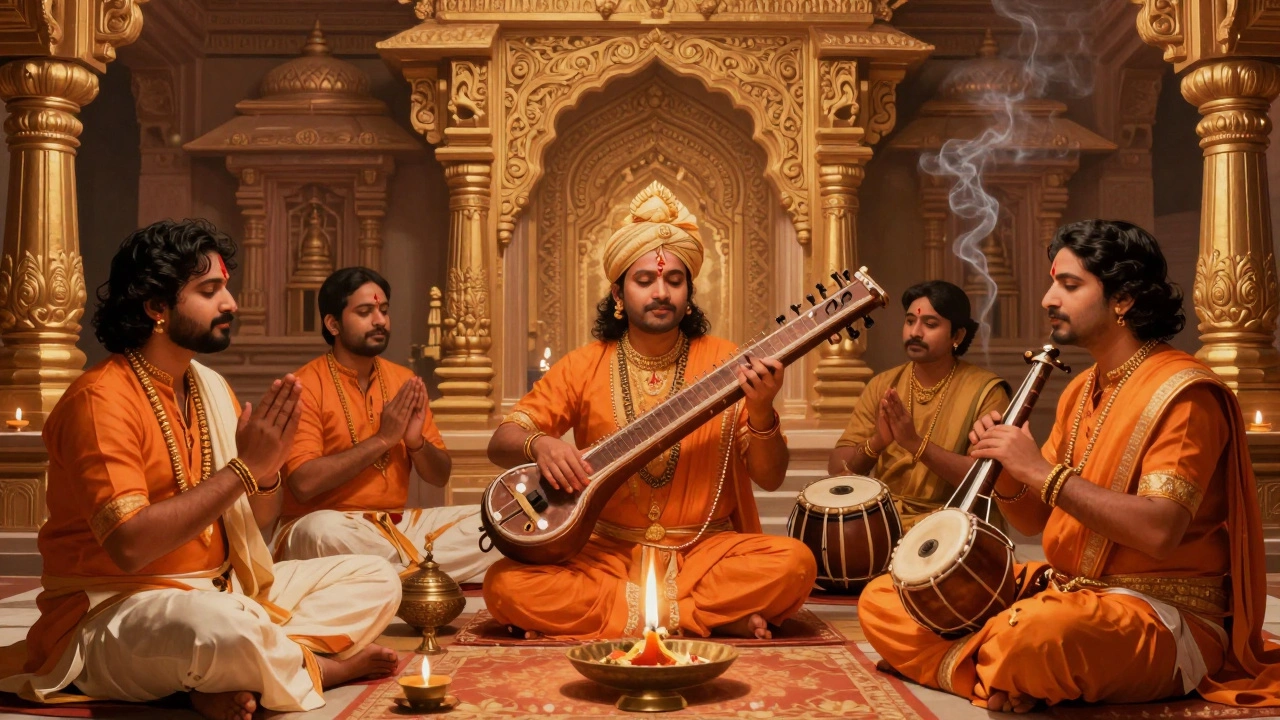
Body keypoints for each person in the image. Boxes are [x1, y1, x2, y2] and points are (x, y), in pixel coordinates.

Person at [859, 219, 1280, 711]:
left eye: (1069, 284)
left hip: (1160, 614)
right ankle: (1000, 676)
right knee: (887, 596)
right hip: (1068, 593)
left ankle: (995, 665)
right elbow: (1033, 519)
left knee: (1037, 635)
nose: (1048, 299)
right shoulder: (1081, 390)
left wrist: (1039, 471)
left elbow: (1160, 531)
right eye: (1052, 282)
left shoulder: (1184, 395)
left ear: (1123, 299)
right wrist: (1009, 470)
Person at [0, 220, 402, 720]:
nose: (231, 303)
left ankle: (226, 673)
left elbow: (258, 522)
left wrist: (267, 472)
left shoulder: (209, 386)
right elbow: (130, 546)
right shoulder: (100, 400)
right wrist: (243, 469)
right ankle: (314, 666)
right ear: (157, 307)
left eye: (225, 289)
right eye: (210, 291)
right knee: (216, 627)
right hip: (115, 608)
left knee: (376, 576)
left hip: (223, 589)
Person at [482, 181, 817, 640]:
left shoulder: (728, 362)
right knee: (504, 585)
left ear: (689, 292)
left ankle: (633, 616)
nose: (661, 292)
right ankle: (705, 617)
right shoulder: (584, 365)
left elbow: (771, 477)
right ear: (619, 294)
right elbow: (502, 441)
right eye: (645, 281)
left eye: (674, 281)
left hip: (703, 550)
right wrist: (540, 444)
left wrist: (762, 411)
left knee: (795, 564)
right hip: (606, 554)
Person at [273, 267, 493, 583]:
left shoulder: (402, 380)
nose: (380, 321)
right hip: (329, 525)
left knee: (491, 522)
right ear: (333, 324)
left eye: (384, 310)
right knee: (322, 533)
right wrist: (382, 440)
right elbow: (303, 484)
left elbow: (439, 475)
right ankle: (418, 574)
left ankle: (386, 577)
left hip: (395, 526)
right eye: (365, 312)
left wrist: (416, 443)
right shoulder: (305, 386)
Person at [828, 281, 1009, 530]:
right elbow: (836, 470)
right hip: (885, 521)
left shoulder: (987, 392)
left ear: (957, 335)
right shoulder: (883, 385)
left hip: (955, 523)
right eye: (910, 321)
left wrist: (914, 443)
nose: (915, 332)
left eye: (930, 324)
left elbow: (985, 479)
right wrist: (877, 442)